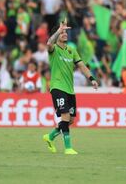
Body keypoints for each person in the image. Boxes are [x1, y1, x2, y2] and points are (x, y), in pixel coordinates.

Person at [42, 19, 98, 155]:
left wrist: (92, 79)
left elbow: (82, 66)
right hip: (57, 87)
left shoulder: (72, 50)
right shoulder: (53, 49)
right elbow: (49, 42)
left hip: (70, 90)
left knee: (70, 119)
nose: (65, 34)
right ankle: (68, 148)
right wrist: (58, 31)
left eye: (66, 32)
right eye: (62, 32)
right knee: (65, 116)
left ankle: (49, 137)